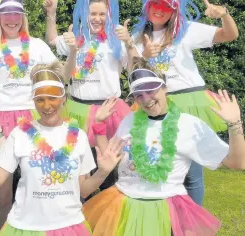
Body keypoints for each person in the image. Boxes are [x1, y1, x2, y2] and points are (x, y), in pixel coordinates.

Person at [82, 58, 245, 236]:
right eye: (139, 94)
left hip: (166, 208)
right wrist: (98, 125)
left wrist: (235, 125)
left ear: (164, 88)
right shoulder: (129, 120)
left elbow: (237, 163)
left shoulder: (189, 125)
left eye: (151, 90)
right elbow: (109, 156)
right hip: (122, 204)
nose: (146, 99)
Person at [0, 61, 125, 235]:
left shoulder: (79, 137)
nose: (46, 106)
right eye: (40, 99)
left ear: (64, 98)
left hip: (69, 226)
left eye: (53, 98)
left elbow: (83, 189)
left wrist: (103, 172)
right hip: (26, 228)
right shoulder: (19, 134)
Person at [0, 0, 76, 228]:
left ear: (23, 17)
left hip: (34, 116)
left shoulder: (36, 45)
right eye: (6, 14)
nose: (12, 19)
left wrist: (73, 52)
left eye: (17, 13)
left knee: (43, 184)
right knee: (3, 192)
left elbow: (63, 76)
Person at [131, 0, 239, 206]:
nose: (160, 11)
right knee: (166, 164)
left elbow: (230, 35)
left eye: (166, 7)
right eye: (156, 5)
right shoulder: (136, 37)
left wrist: (224, 14)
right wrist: (146, 56)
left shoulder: (186, 30)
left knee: (192, 172)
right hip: (154, 102)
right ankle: (167, 214)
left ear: (173, 12)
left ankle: (191, 225)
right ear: (148, 6)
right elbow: (134, 72)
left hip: (188, 100)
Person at [43, 0, 138, 190]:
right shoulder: (76, 38)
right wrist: (51, 15)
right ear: (85, 15)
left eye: (102, 14)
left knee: (113, 166)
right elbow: (52, 40)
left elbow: (133, 69)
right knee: (80, 165)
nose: (97, 19)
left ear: (109, 16)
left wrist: (129, 44)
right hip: (79, 109)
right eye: (93, 14)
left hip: (110, 110)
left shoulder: (116, 40)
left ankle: (109, 213)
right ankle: (82, 212)